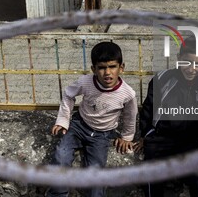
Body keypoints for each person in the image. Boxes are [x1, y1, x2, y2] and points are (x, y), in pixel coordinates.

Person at [46, 41, 138, 197]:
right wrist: (63, 120)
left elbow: (130, 116)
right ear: (93, 69)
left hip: (102, 135)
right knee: (61, 155)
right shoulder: (86, 82)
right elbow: (68, 94)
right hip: (79, 126)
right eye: (101, 68)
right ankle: (58, 193)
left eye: (112, 67)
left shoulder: (128, 93)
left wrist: (127, 137)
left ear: (121, 67)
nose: (107, 73)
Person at [135, 36, 198, 197]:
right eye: (187, 62)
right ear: (178, 58)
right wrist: (146, 134)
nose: (192, 69)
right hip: (162, 139)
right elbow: (148, 110)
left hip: (193, 142)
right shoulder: (163, 79)